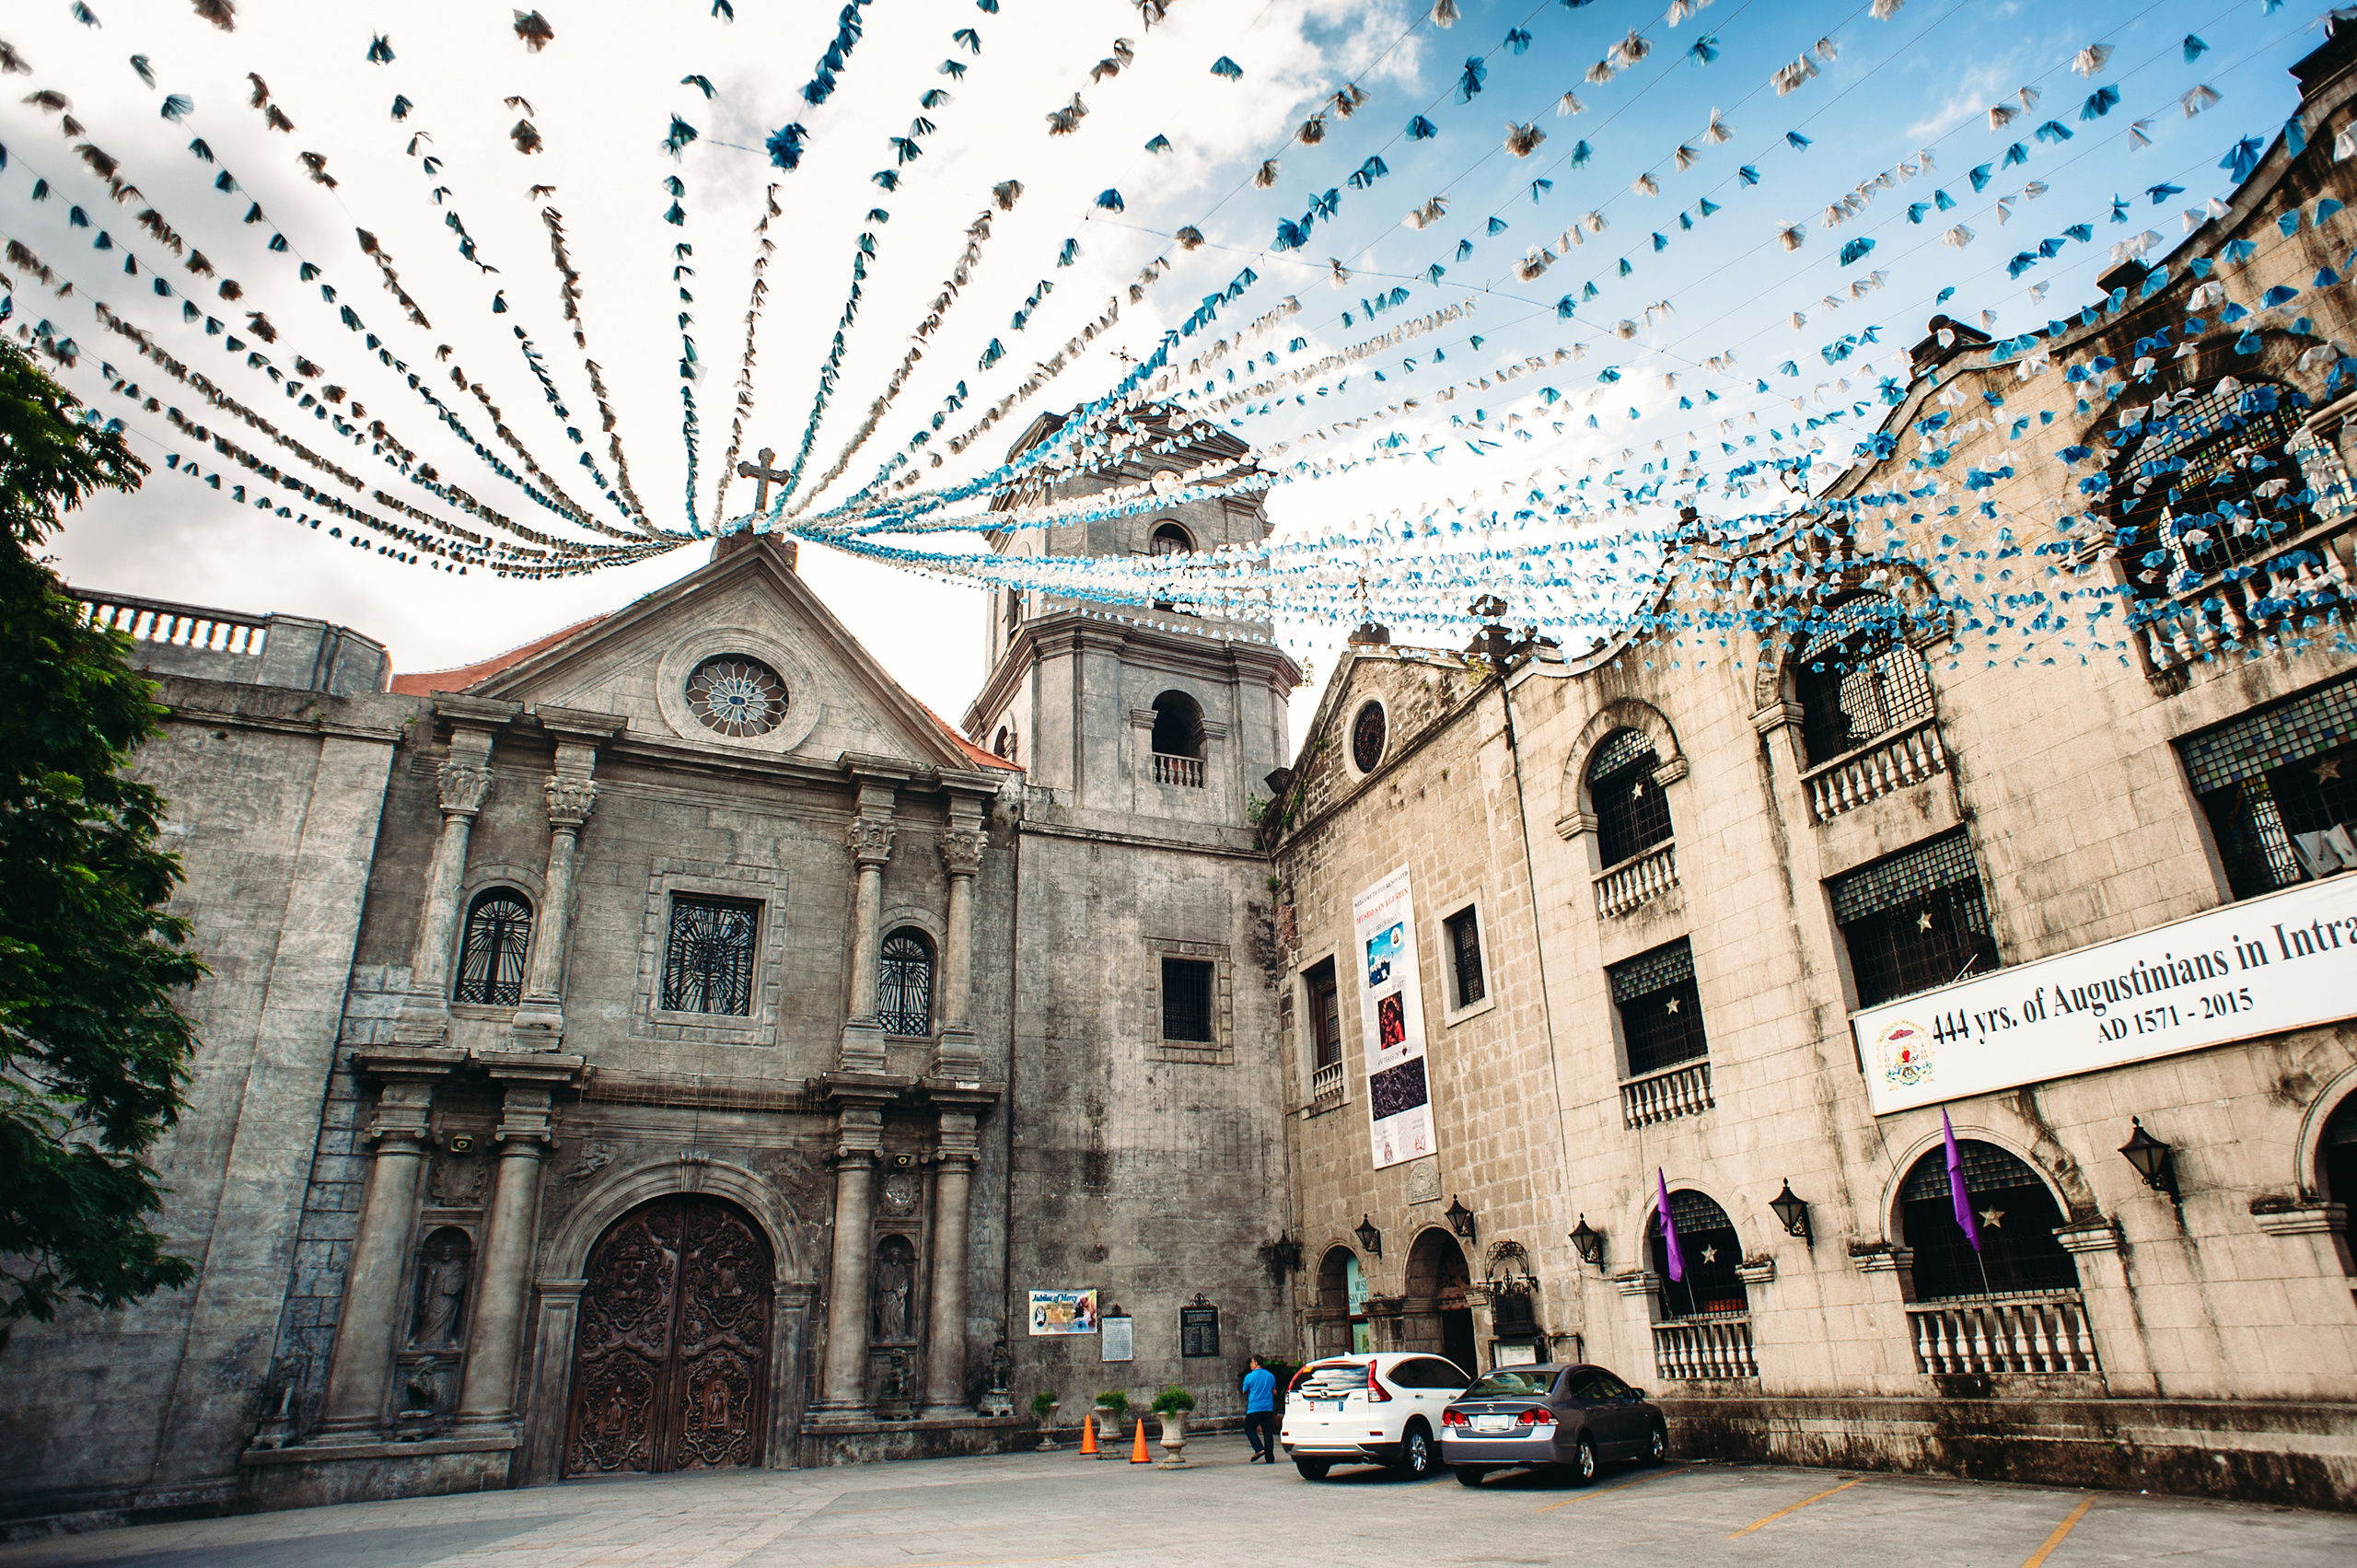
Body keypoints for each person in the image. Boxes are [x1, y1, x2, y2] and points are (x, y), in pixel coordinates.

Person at [1240, 1354, 1278, 1464]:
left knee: (1249, 1428)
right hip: (1268, 1408)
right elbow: (1274, 1392)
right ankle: (1269, 1458)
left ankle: (1259, 1448)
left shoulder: (1249, 1377)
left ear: (1256, 1363)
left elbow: (1244, 1391)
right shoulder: (1270, 1376)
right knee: (1268, 1433)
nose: (1251, 1365)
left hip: (1254, 1408)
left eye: (1252, 1363)